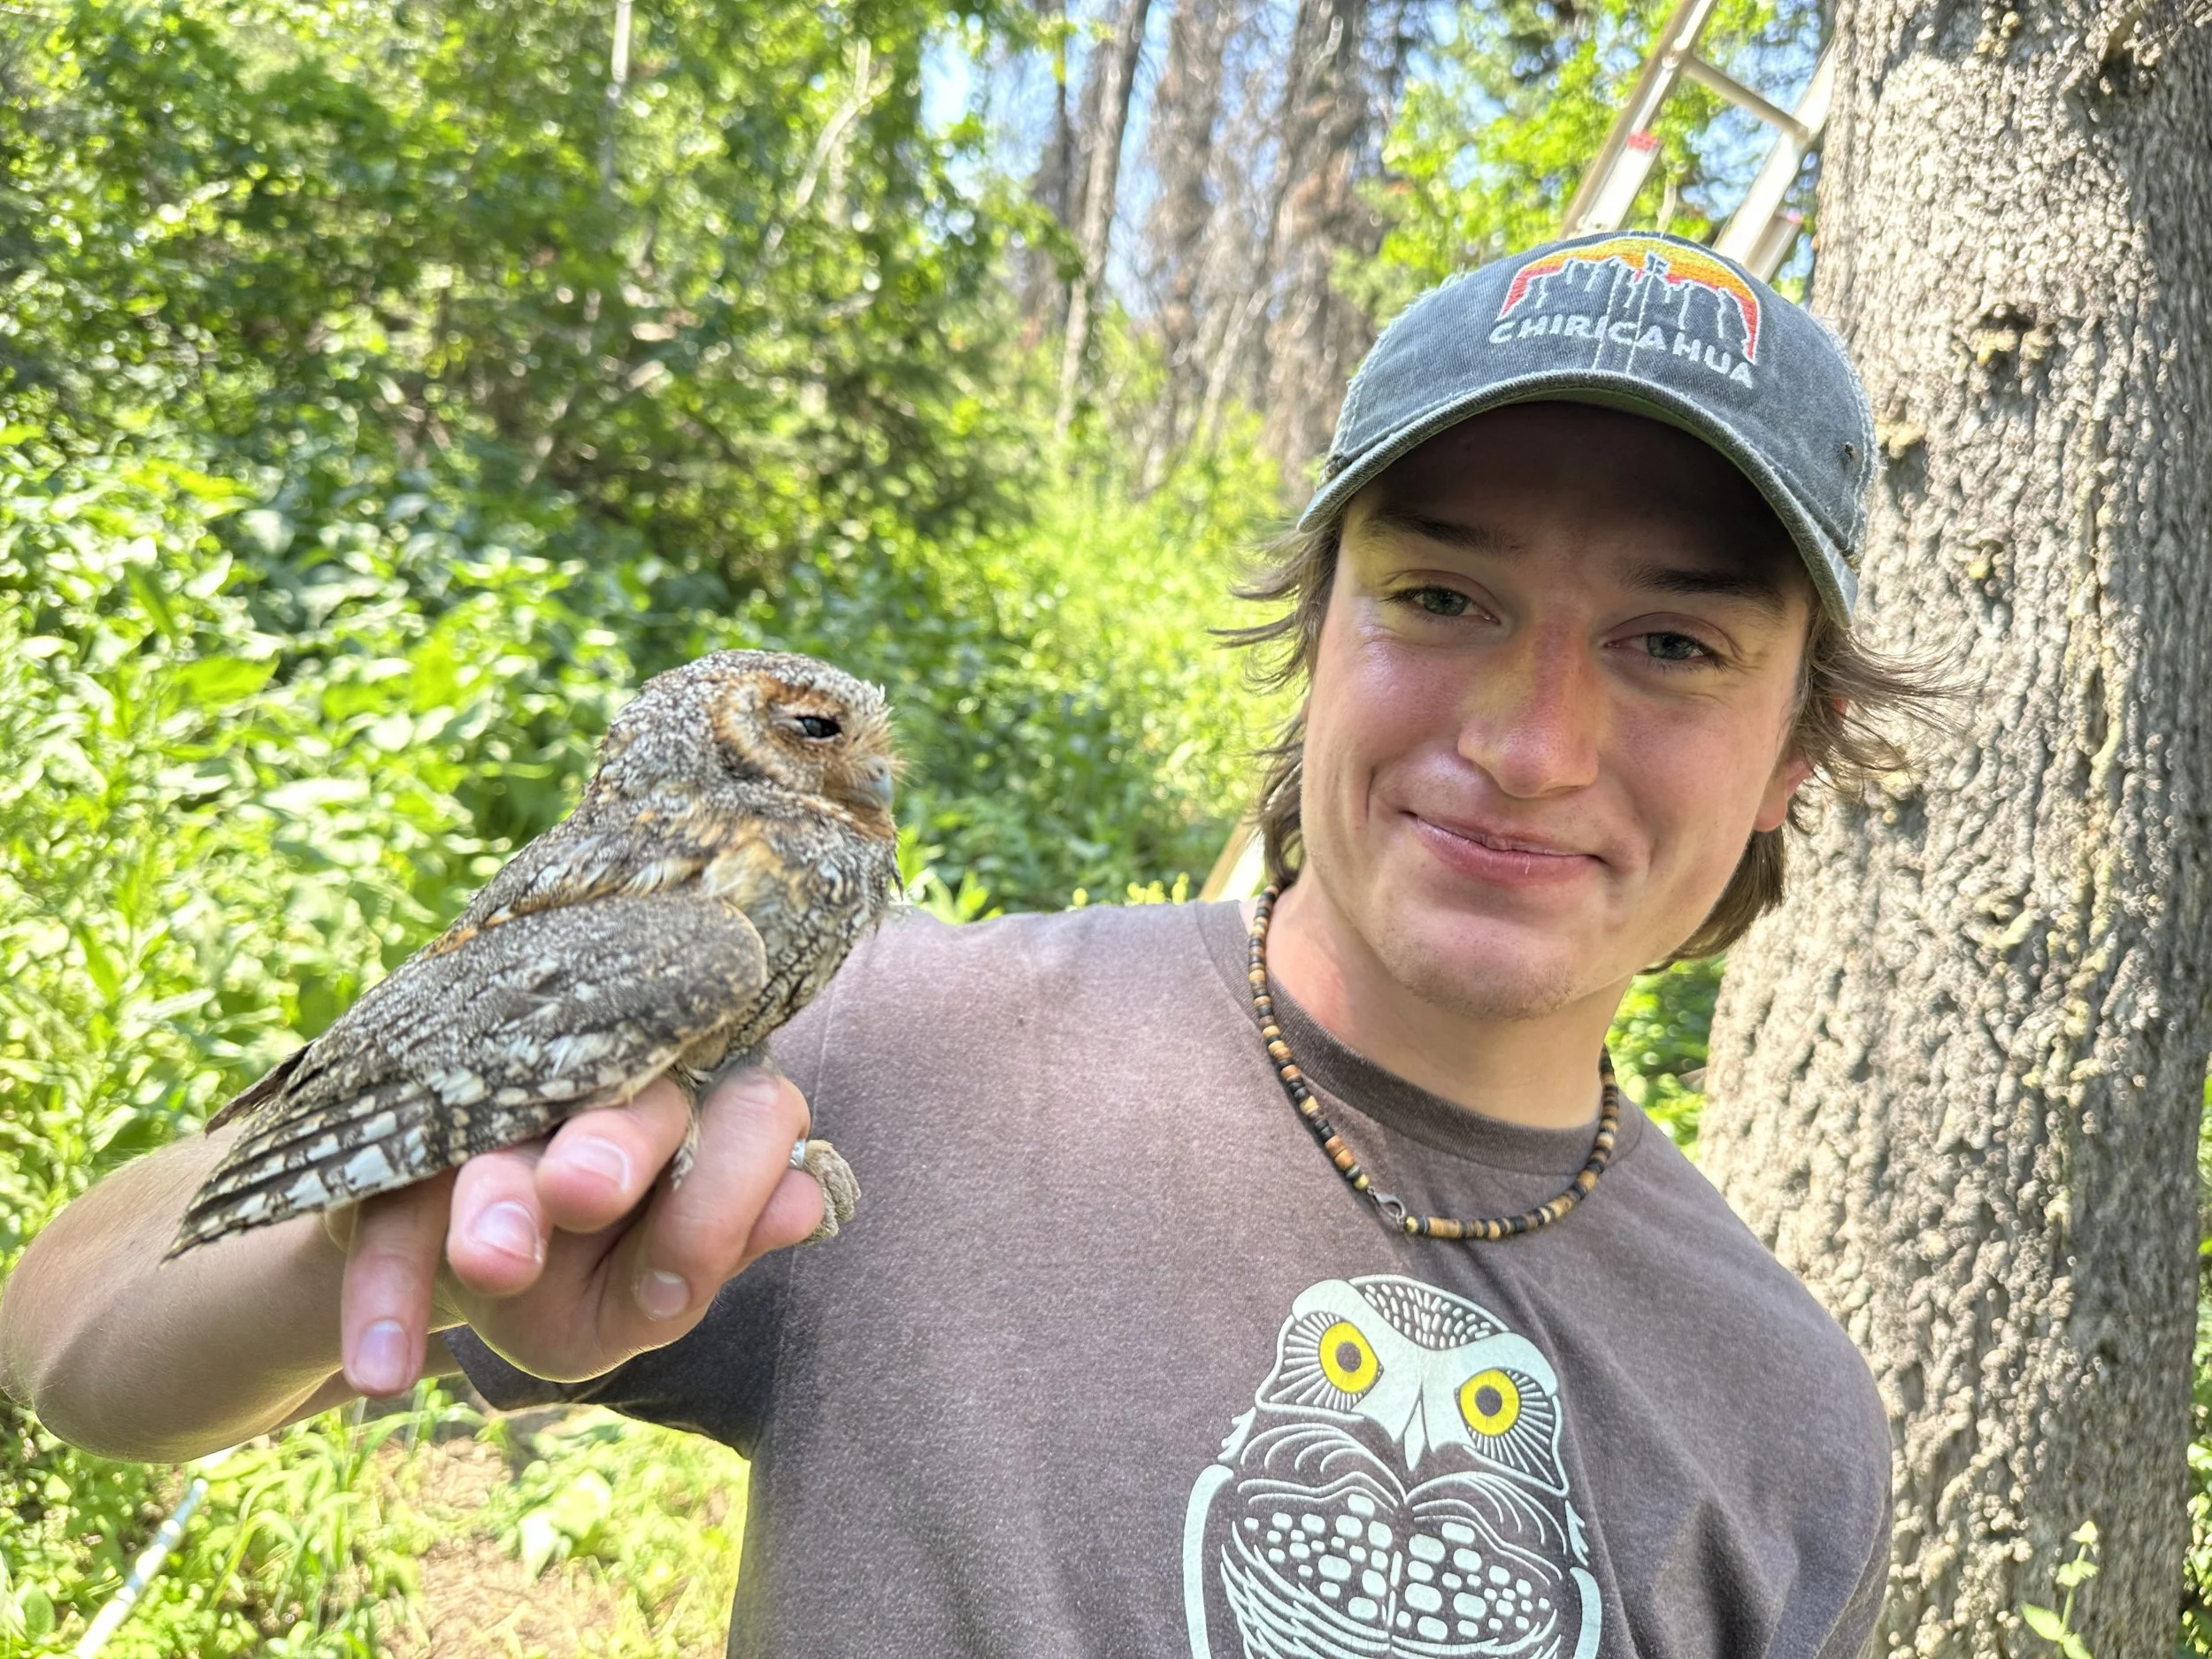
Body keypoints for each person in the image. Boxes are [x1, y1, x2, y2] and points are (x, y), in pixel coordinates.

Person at [2, 229, 1933, 1657]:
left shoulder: (1785, 1425)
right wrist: (371, 1234)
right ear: (1314, 639)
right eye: (1440, 595)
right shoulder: (890, 1054)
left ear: (1798, 748)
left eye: (1672, 642)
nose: (1529, 740)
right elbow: (66, 1321)